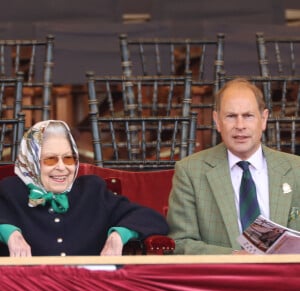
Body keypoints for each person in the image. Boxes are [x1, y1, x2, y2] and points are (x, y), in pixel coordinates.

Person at [167, 78, 300, 254]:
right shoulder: (190, 171)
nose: (240, 126)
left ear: (264, 119)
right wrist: (236, 258)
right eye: (231, 116)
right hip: (222, 278)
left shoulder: (296, 169)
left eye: (248, 116)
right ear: (217, 121)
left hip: (284, 278)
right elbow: (180, 243)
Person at [0, 120, 169, 257]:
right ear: (31, 162)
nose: (61, 167)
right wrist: (9, 233)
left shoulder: (92, 190)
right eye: (50, 159)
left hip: (87, 289)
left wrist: (118, 235)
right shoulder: (11, 190)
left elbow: (152, 219)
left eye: (68, 159)